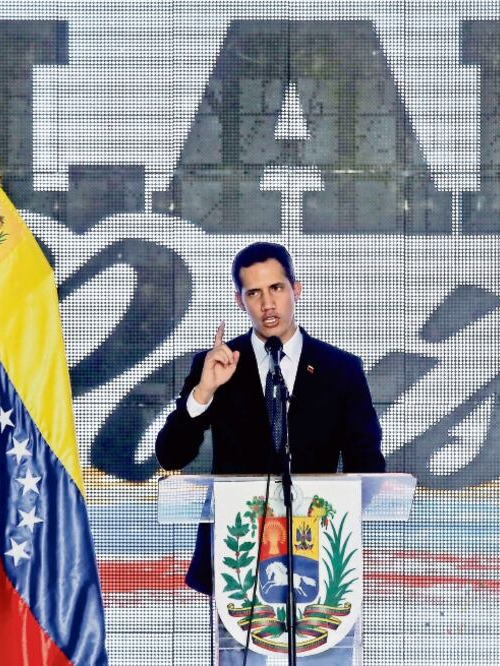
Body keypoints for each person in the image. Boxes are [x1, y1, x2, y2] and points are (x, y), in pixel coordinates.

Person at [155, 241, 385, 595]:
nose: (267, 304)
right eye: (254, 293)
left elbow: (367, 466)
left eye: (276, 288)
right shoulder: (217, 365)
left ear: (296, 289)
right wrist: (203, 392)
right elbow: (171, 455)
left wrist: (330, 519)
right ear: (240, 300)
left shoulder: (340, 370)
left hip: (316, 553)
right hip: (236, 555)